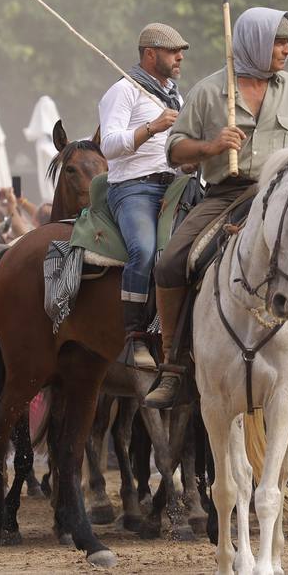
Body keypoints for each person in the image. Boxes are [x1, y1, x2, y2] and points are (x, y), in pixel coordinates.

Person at [144, 8, 288, 412]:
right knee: (171, 263)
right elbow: (175, 150)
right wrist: (212, 147)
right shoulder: (208, 91)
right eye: (279, 42)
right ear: (253, 43)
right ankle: (173, 367)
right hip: (227, 194)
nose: (287, 49)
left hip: (286, 196)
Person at [97, 23, 189, 370]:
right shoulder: (124, 91)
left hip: (176, 184)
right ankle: (134, 336)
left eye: (181, 51)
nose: (180, 57)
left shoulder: (175, 96)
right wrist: (152, 127)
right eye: (172, 51)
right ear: (150, 55)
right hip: (134, 187)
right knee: (145, 250)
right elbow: (108, 146)